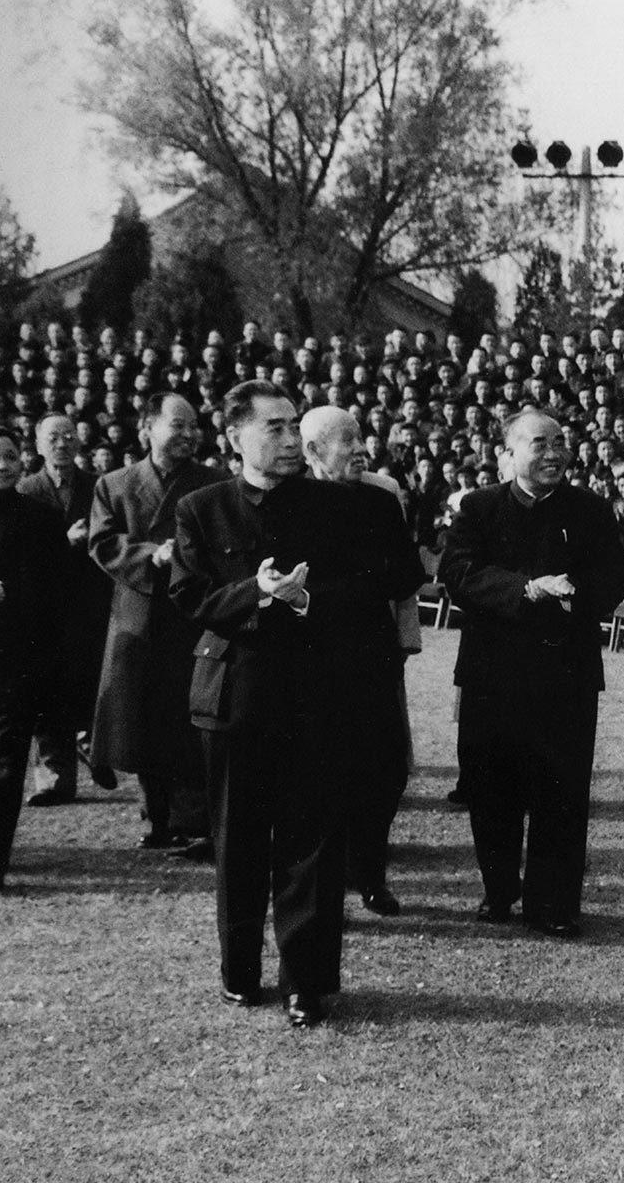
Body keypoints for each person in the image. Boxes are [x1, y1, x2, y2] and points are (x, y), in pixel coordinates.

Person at [170, 381, 424, 1026]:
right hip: (238, 697)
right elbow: (189, 597)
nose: (289, 440)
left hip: (319, 695)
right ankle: (239, 970)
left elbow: (374, 584)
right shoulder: (202, 507)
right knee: (239, 838)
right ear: (235, 438)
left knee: (312, 840)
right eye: (274, 429)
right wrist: (253, 592)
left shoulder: (338, 506)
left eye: (292, 427)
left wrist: (307, 600)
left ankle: (304, 982)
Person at [440, 408, 624, 935]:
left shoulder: (590, 509)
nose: (553, 454)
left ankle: (552, 904)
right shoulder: (479, 507)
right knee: (490, 786)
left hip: (565, 674)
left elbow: (616, 574)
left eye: (561, 442)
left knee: (562, 792)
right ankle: (498, 891)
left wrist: (573, 598)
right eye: (540, 444)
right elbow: (456, 572)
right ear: (510, 453)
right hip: (492, 674)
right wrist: (526, 589)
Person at [88, 394, 228, 851]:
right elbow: (104, 542)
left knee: (191, 718)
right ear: (147, 427)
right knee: (141, 719)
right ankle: (157, 815)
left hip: (191, 614)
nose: (189, 434)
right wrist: (152, 553)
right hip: (139, 616)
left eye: (194, 426)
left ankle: (196, 818)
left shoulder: (213, 482)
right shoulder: (115, 484)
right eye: (178, 425)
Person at [299, 404, 419, 918]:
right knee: (322, 774)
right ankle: (324, 885)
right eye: (346, 441)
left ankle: (372, 874)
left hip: (373, 653)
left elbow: (405, 573)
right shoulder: (292, 503)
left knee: (384, 767)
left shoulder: (380, 501)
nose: (360, 449)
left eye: (360, 438)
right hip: (312, 658)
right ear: (312, 451)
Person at [17, 414, 113, 804]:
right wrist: (63, 540)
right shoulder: (25, 490)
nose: (62, 443)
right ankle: (55, 776)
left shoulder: (98, 486)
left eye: (69, 436)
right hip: (42, 607)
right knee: (47, 691)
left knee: (91, 682)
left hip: (89, 603)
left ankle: (95, 746)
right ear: (39, 445)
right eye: (53, 437)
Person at [0, 425, 67, 889]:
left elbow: (54, 592)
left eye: (9, 456)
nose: (1, 466)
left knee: (3, 764)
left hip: (12, 662)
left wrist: (6, 594)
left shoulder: (40, 518)